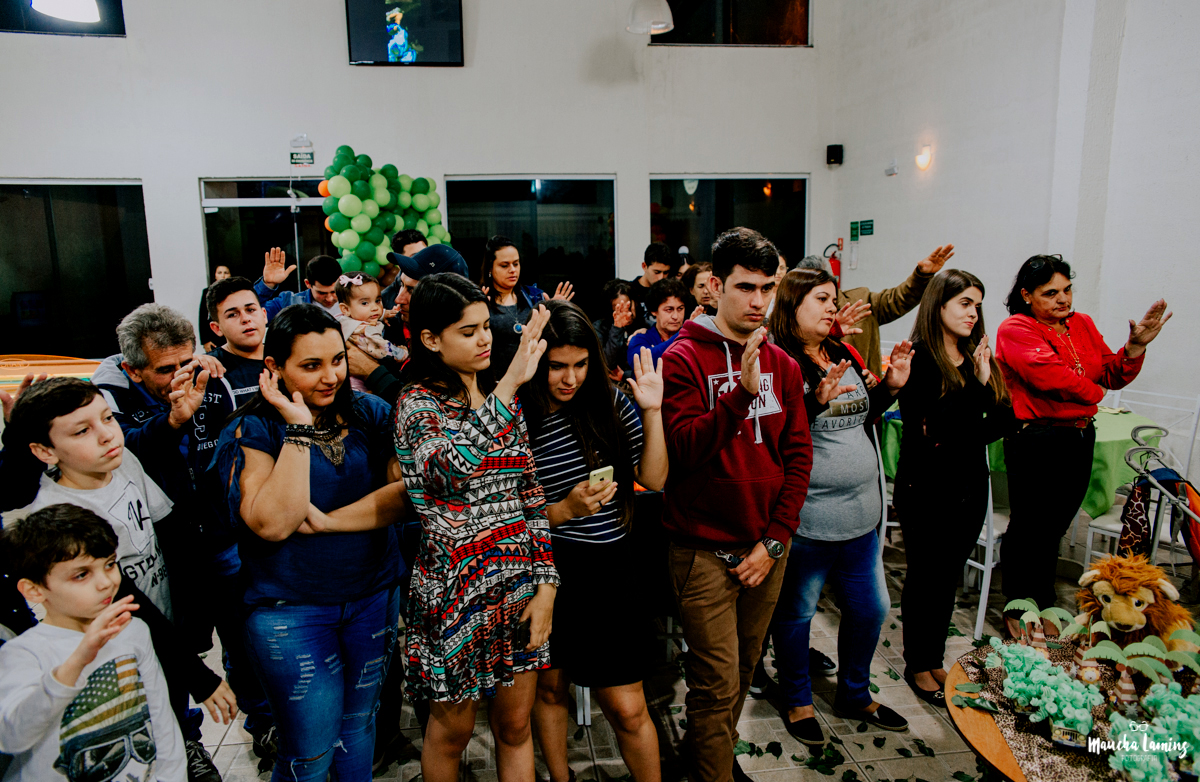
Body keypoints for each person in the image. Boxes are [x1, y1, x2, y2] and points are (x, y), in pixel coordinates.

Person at [209, 304, 408, 782]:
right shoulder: (254, 428)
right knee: (310, 753)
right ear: (274, 367)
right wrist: (298, 429)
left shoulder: (370, 413)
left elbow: (406, 495)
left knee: (358, 730)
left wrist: (329, 522)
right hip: (291, 612)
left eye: (338, 360)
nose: (331, 376)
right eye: (312, 365)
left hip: (372, 598)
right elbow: (273, 523)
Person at [3, 377, 235, 781]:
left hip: (159, 627)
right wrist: (198, 675)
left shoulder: (121, 460)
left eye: (107, 418)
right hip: (117, 635)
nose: (107, 434)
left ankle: (183, 746)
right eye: (82, 431)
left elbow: (171, 533)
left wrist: (193, 622)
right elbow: (123, 597)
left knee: (168, 709)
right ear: (44, 451)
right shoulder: (58, 514)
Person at [661, 227, 812, 782]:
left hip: (764, 548)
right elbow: (681, 452)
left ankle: (709, 760)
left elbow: (798, 456)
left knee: (743, 672)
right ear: (715, 287)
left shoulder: (784, 364)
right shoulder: (681, 358)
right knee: (716, 683)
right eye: (745, 287)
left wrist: (775, 541)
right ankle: (714, 770)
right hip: (702, 550)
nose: (758, 300)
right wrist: (741, 395)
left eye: (767, 288)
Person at [394, 274, 558, 782]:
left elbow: (531, 495)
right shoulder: (417, 403)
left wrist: (547, 585)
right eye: (468, 331)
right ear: (430, 339)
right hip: (454, 592)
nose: (485, 339)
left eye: (486, 326)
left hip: (517, 585)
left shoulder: (499, 397)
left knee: (515, 726)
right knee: (451, 734)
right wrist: (508, 387)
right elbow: (445, 472)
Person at [766, 267, 914, 746]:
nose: (832, 307)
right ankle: (798, 699)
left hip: (861, 516)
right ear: (792, 307)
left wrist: (891, 387)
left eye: (833, 299)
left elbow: (862, 414)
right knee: (797, 614)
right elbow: (773, 435)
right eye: (821, 299)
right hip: (809, 518)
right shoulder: (778, 360)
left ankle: (854, 693)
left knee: (870, 610)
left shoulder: (841, 351)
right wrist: (813, 401)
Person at [523, 302, 668, 782]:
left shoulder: (610, 403)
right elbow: (503, 516)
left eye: (581, 364)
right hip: (546, 567)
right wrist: (564, 509)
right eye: (557, 366)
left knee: (627, 706)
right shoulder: (519, 415)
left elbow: (654, 478)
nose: (570, 378)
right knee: (550, 689)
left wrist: (652, 411)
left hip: (609, 566)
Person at [995, 255, 1170, 630]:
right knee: (1029, 526)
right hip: (1037, 438)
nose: (1063, 299)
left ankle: (1042, 601)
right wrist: (1095, 394)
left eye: (1067, 289)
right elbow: (1053, 378)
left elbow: (1111, 373)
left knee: (1055, 526)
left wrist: (1134, 347)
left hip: (1078, 435)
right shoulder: (1016, 328)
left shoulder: (1082, 323)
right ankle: (1018, 606)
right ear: (1026, 295)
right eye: (1050, 293)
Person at [894, 270, 1013, 705]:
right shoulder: (919, 359)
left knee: (947, 579)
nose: (973, 312)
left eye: (977, 304)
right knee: (925, 577)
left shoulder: (976, 356)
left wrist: (973, 400)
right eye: (964, 303)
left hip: (968, 486)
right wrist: (976, 394)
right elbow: (933, 430)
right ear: (939, 304)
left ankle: (933, 657)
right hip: (925, 487)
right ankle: (916, 663)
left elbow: (1004, 419)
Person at [0, 505, 185, 782]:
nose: (106, 583)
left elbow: (161, 719)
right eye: (81, 575)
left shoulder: (133, 631)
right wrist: (78, 659)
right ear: (34, 590)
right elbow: (12, 737)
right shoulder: (22, 653)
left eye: (109, 564)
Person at [794, 244, 955, 376]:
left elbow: (899, 299)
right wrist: (833, 332)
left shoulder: (860, 300)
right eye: (820, 297)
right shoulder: (795, 316)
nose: (828, 305)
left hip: (870, 394)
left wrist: (922, 276)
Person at [334, 273, 408, 394]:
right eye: (365, 303)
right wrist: (403, 353)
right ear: (345, 309)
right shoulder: (365, 331)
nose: (375, 308)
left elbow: (367, 313)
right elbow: (384, 350)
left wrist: (383, 314)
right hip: (357, 387)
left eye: (378, 301)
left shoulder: (343, 320)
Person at [205, 276, 267, 409]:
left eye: (250, 310)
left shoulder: (285, 357)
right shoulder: (210, 369)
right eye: (232, 314)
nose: (245, 319)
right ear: (217, 328)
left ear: (264, 315)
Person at [254, 250, 343, 321]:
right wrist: (267, 285)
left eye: (333, 292)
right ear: (308, 284)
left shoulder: (350, 299)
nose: (329, 298)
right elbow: (254, 314)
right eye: (322, 293)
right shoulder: (289, 302)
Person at [627, 278, 689, 368]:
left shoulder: (691, 339)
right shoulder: (640, 338)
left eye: (680, 309)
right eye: (669, 309)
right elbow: (643, 362)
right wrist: (683, 333)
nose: (675, 316)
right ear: (654, 310)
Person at [593, 280, 643, 377]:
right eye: (619, 310)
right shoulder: (599, 328)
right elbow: (607, 365)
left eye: (628, 307)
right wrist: (617, 328)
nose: (627, 314)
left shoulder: (644, 324)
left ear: (635, 303)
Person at [628, 243, 676, 324]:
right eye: (657, 272)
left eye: (665, 273)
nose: (661, 277)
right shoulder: (630, 291)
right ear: (644, 266)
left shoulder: (671, 292)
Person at [199, 264, 232, 351]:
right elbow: (203, 316)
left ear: (230, 275)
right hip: (214, 336)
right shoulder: (207, 292)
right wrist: (205, 341)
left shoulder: (234, 292)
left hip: (230, 332)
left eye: (226, 273)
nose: (223, 275)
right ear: (215, 275)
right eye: (219, 273)